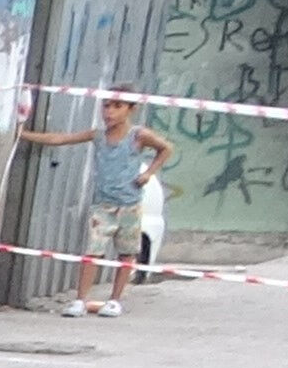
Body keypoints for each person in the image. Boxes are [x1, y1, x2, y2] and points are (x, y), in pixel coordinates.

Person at [17, 95, 172, 317]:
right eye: (106, 106)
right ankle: (80, 300)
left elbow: (166, 149)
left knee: (126, 254)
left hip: (130, 205)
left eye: (117, 106)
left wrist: (148, 173)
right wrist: (22, 134)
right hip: (103, 205)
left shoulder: (138, 136)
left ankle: (115, 300)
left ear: (131, 109)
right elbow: (60, 139)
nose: (109, 112)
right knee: (92, 252)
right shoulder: (98, 136)